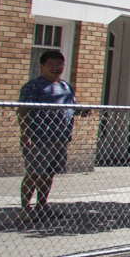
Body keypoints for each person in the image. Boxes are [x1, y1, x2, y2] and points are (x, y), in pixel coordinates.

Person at [17, 48, 79, 216]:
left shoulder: (65, 86)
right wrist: (25, 134)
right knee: (35, 173)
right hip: (39, 137)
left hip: (60, 137)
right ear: (41, 66)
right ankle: (25, 208)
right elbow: (23, 111)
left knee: (49, 174)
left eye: (59, 64)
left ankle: (42, 206)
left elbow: (71, 107)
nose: (55, 68)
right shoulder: (34, 86)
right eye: (51, 64)